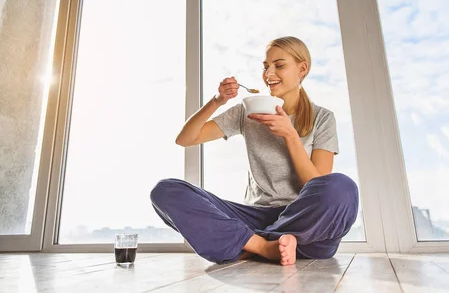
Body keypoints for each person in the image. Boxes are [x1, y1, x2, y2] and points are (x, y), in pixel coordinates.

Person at [150, 36, 359, 265]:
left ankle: (249, 243)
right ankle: (263, 246)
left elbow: (316, 184)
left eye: (279, 65)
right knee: (165, 190)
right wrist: (217, 101)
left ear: (302, 68)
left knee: (343, 188)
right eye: (266, 66)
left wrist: (290, 135)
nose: (269, 74)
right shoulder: (246, 112)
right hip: (255, 216)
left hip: (304, 220)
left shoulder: (323, 118)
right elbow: (186, 139)